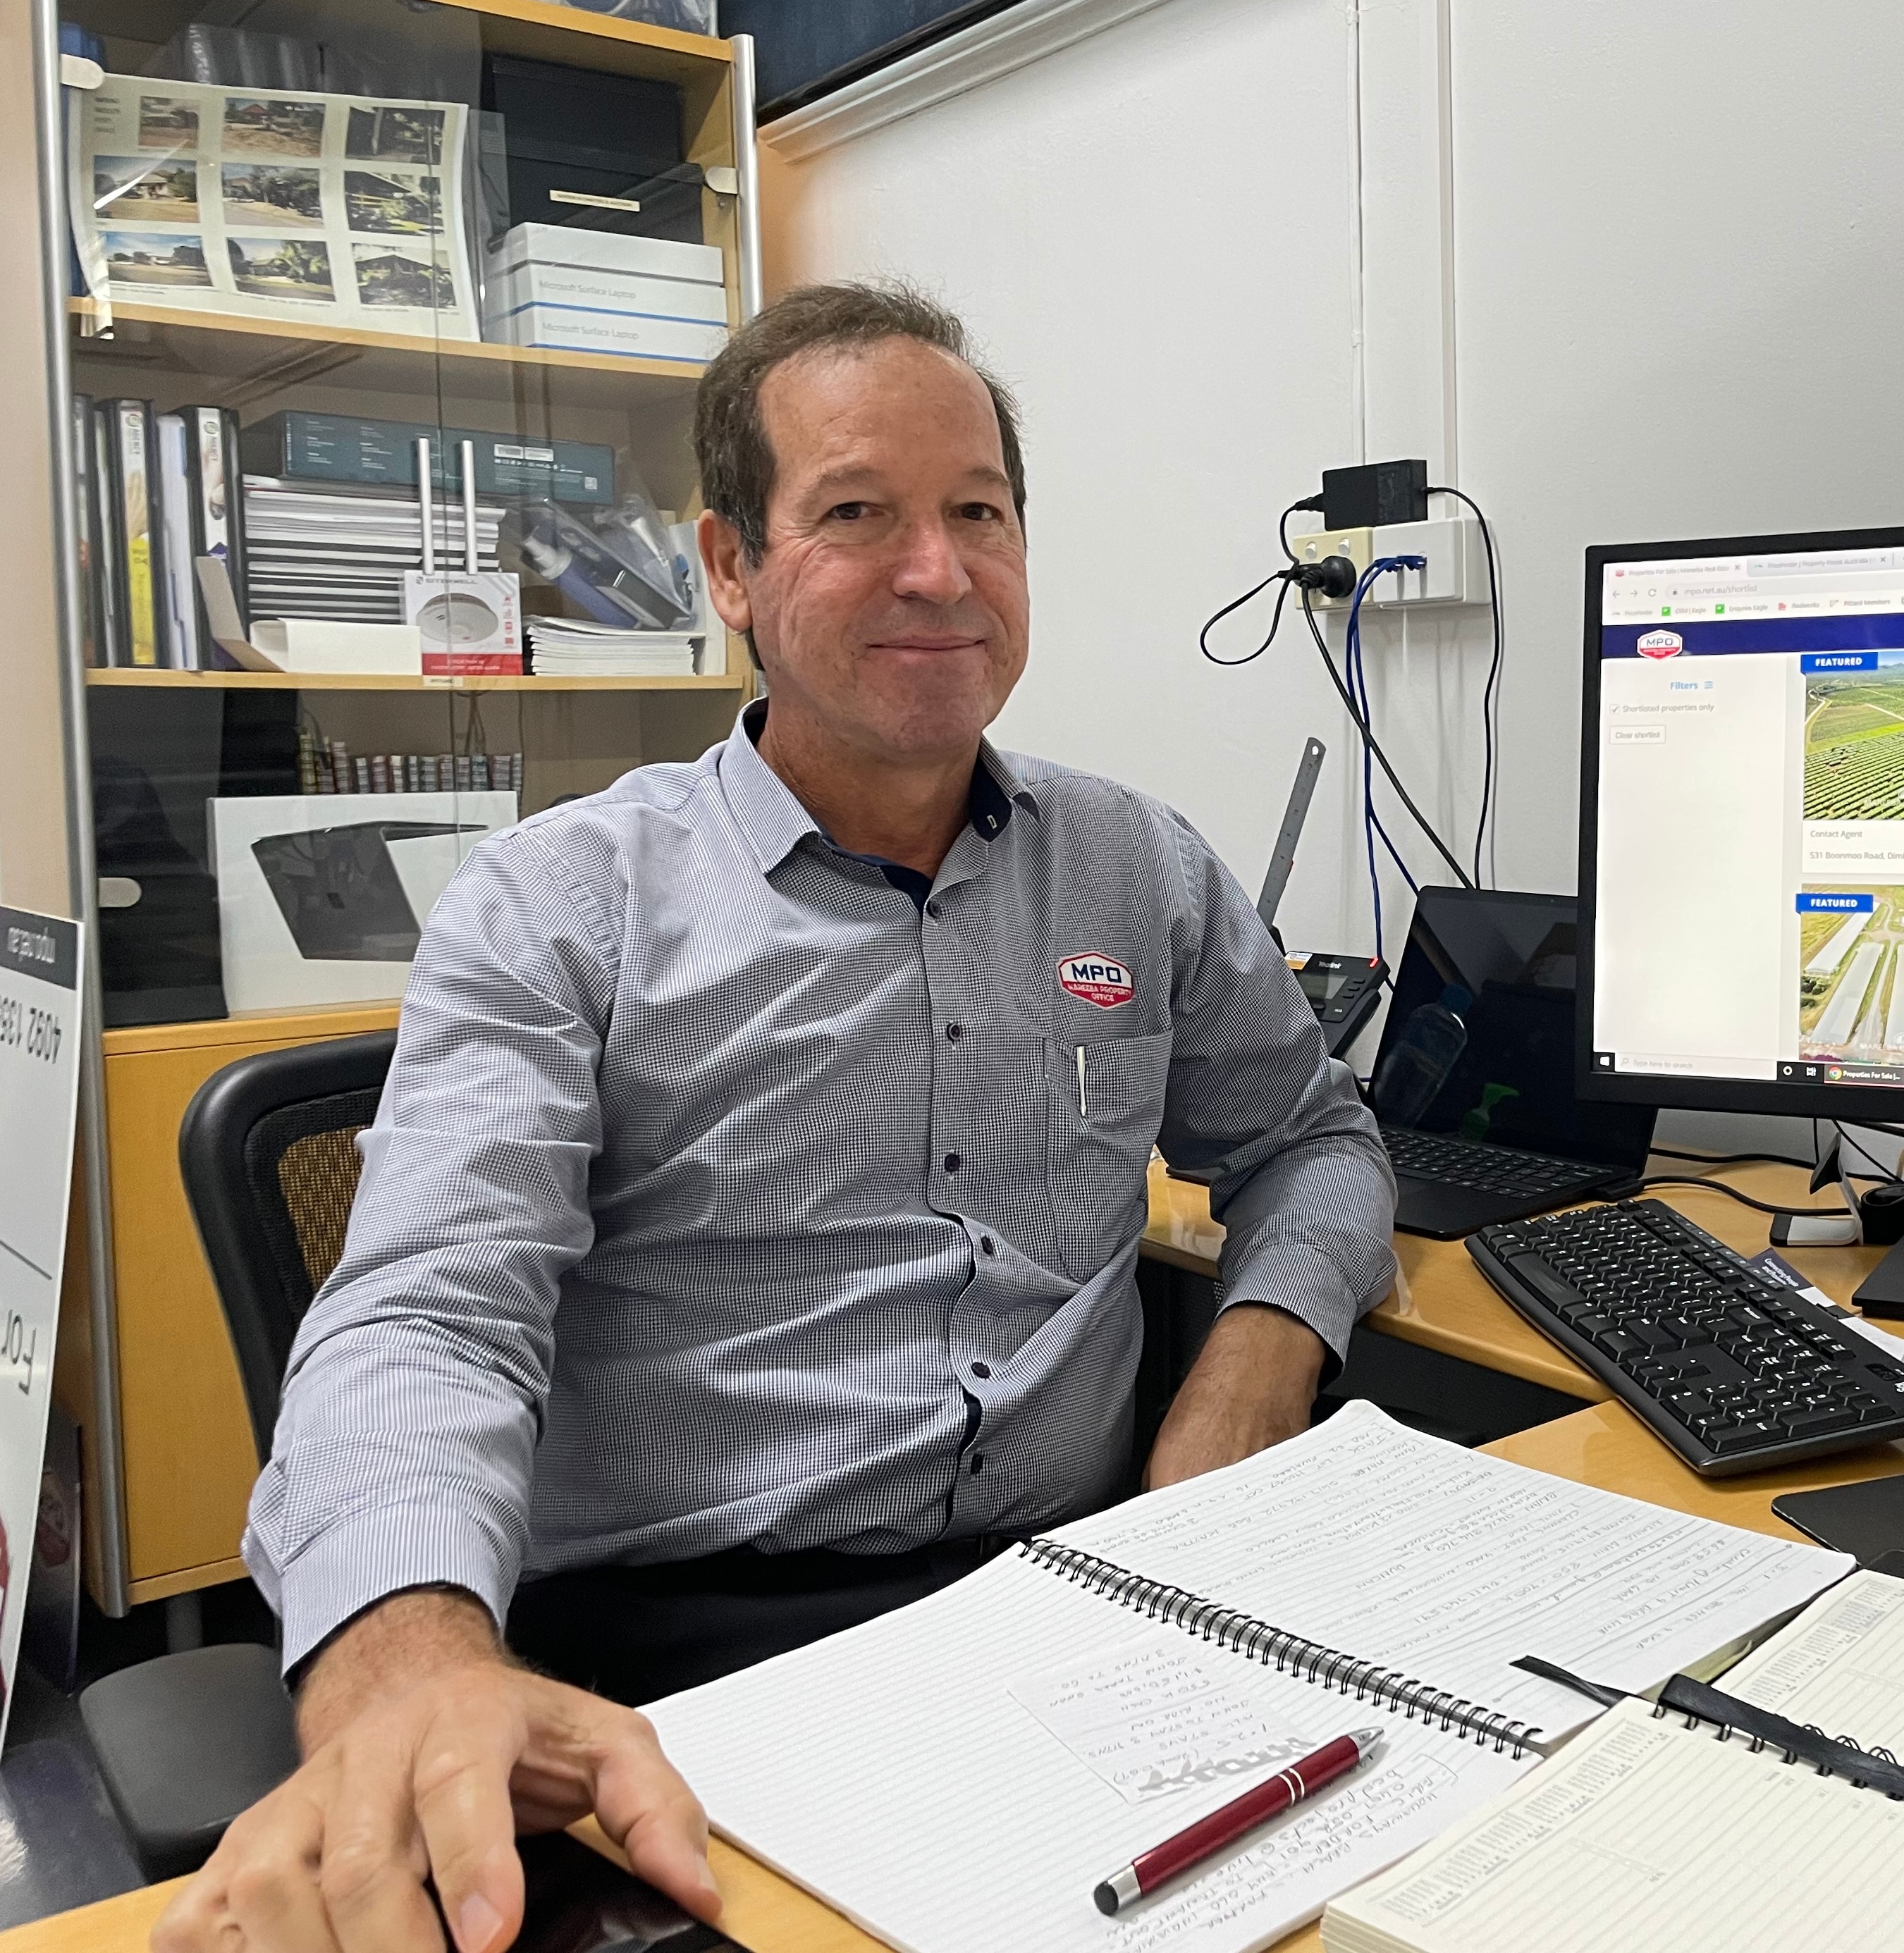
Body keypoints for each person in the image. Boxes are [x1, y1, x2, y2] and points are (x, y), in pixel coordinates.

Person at [157, 283, 1396, 1953]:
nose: (938, 571)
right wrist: (410, 1662)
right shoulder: (559, 909)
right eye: (857, 515)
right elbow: (429, 1314)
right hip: (685, 1674)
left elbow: (1313, 1140)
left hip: (1082, 1619)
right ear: (730, 566)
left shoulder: (1140, 867)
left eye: (980, 514)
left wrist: (1250, 1368)